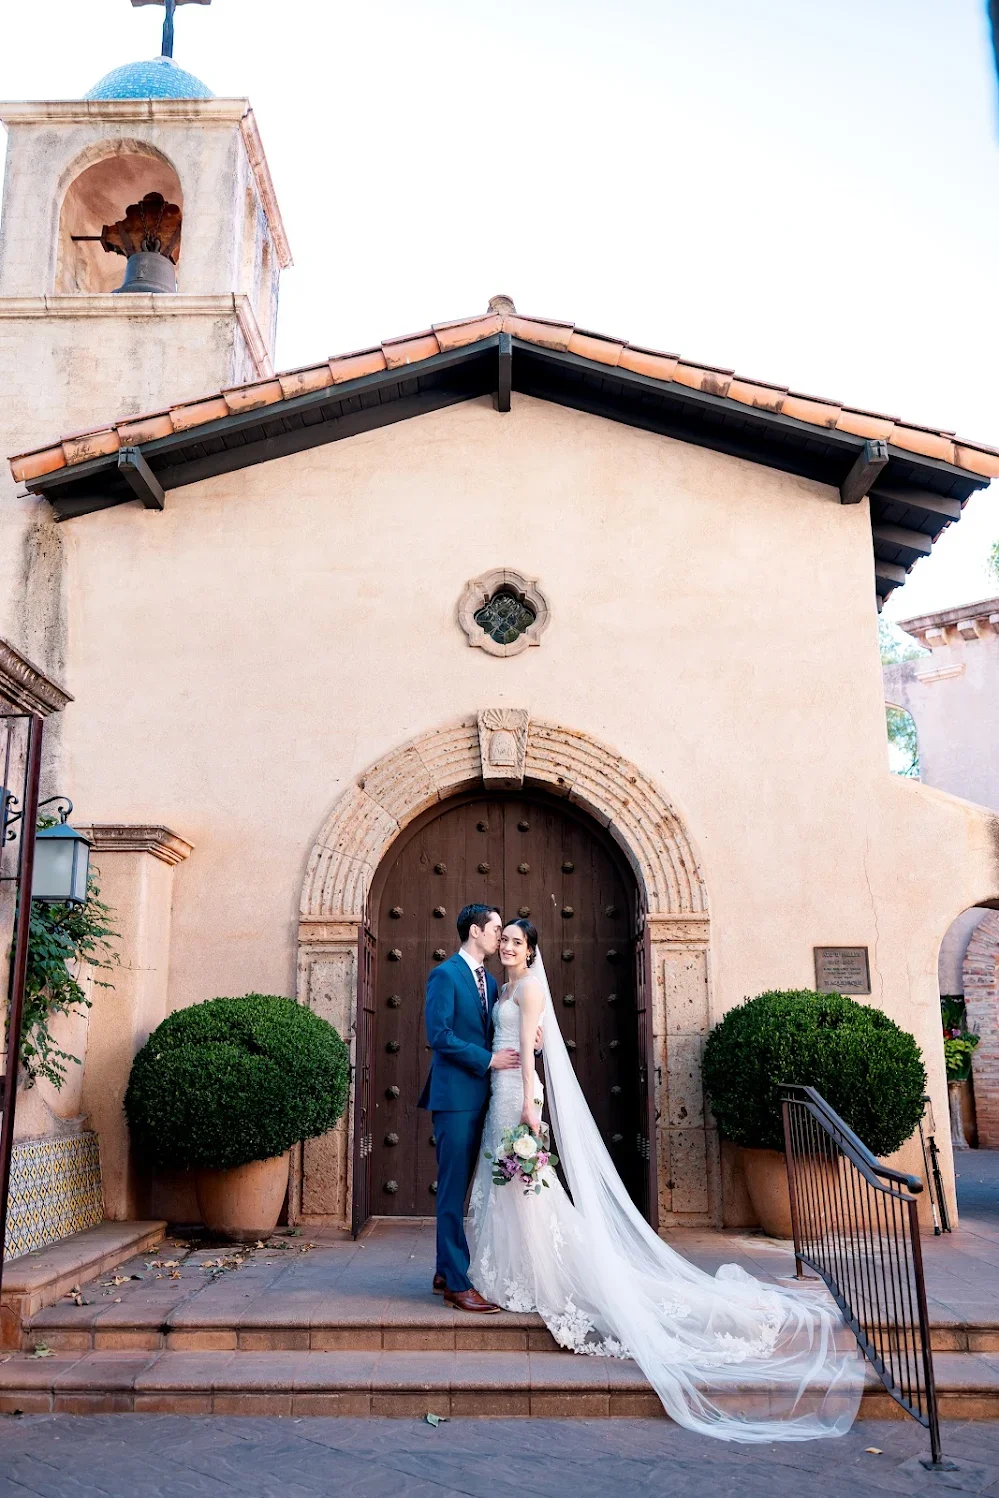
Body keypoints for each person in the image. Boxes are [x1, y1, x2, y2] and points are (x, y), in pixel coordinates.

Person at [466, 918, 864, 1443]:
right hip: (501, 1090)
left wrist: (529, 1111)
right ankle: (515, 1271)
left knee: (527, 1189)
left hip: (517, 1095)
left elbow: (530, 1052)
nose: (511, 948)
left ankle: (538, 1275)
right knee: (514, 1189)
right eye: (507, 941)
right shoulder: (507, 986)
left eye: (519, 942)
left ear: (533, 950)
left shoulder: (530, 988)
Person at [417, 903, 518, 1314]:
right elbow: (438, 1036)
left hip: (483, 1099)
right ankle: (457, 1285)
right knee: (453, 1190)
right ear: (475, 932)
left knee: (464, 1188)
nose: (500, 937)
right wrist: (487, 1060)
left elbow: (493, 1031)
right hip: (454, 1100)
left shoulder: (491, 983)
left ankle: (445, 1270)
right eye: (495, 930)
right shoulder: (444, 975)